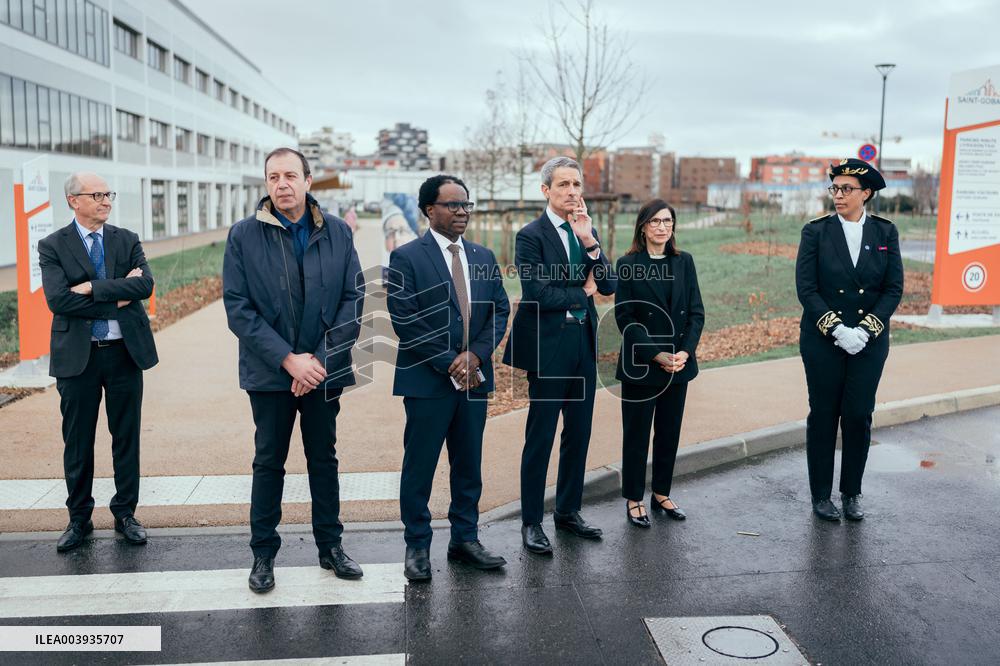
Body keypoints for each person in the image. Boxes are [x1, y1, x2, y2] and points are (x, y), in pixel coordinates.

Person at [223, 147, 365, 593]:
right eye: (272, 177)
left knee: (324, 459)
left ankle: (331, 547)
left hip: (324, 372)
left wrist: (319, 362)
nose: (281, 184)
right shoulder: (244, 235)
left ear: (307, 180)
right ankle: (262, 554)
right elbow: (238, 308)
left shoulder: (338, 232)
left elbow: (353, 300)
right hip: (270, 374)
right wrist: (288, 360)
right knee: (269, 462)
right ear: (265, 184)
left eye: (289, 175)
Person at [387, 175, 510, 581]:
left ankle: (465, 540)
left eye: (466, 206)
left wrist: (475, 356)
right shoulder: (407, 257)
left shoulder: (483, 255)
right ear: (429, 210)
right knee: (419, 468)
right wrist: (449, 361)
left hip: (474, 381)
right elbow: (405, 319)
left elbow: (500, 311)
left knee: (468, 465)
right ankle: (418, 546)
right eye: (453, 205)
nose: (462, 212)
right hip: (427, 382)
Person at [38, 172, 158, 552]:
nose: (106, 200)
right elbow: (58, 301)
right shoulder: (52, 245)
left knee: (126, 437)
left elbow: (144, 286)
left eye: (109, 193)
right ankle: (79, 520)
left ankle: (126, 514)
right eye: (97, 194)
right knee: (77, 441)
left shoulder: (126, 239)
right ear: (74, 200)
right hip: (78, 358)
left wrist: (92, 289)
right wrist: (117, 297)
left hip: (125, 354)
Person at [502, 156, 616, 555]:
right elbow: (538, 293)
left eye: (577, 184)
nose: (572, 192)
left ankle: (568, 512)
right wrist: (583, 293)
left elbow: (610, 283)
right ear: (546, 190)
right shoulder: (529, 236)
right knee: (541, 436)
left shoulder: (588, 230)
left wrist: (589, 242)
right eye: (563, 184)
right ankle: (532, 521)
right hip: (547, 348)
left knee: (579, 433)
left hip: (581, 344)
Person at [795, 158, 904, 522]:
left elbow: (893, 288)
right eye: (835, 188)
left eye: (846, 189)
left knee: (858, 415)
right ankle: (821, 495)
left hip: (868, 343)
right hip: (823, 340)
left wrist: (866, 329)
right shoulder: (816, 232)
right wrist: (837, 328)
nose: (838, 195)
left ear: (866, 193)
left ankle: (852, 492)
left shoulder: (885, 233)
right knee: (824, 415)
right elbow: (806, 289)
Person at [614, 200, 704, 528]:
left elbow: (696, 312)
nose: (662, 227)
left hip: (677, 365)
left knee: (668, 433)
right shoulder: (628, 264)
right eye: (655, 222)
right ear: (643, 227)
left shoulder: (684, 262)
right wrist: (655, 354)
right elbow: (625, 318)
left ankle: (662, 492)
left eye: (667, 221)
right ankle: (635, 498)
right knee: (636, 435)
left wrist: (685, 352)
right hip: (642, 365)